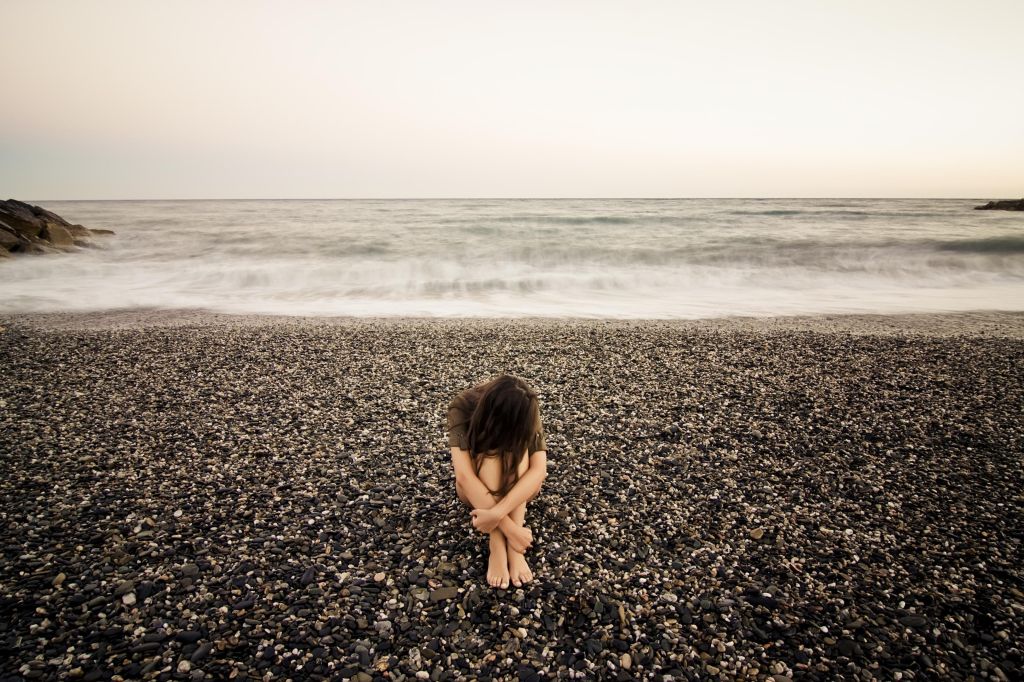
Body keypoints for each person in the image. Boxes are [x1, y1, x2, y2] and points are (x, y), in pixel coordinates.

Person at [447, 374, 548, 588]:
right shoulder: (462, 406)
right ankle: (498, 544)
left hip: (519, 491)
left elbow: (539, 470)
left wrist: (495, 514)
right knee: (492, 454)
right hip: (474, 493)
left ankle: (513, 549)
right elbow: (464, 476)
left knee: (519, 453)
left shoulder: (527, 407)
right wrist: (510, 530)